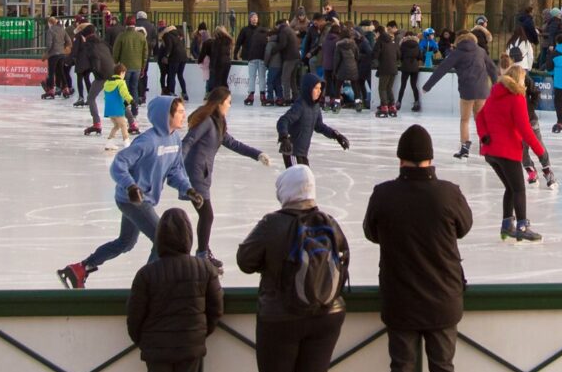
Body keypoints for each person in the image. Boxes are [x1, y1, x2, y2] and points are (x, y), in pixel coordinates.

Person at [362, 124, 472, 372]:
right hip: (443, 296)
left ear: (400, 159)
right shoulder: (448, 193)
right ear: (431, 158)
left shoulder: (384, 195)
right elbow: (464, 226)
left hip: (401, 297)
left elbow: (371, 232)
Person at [236, 164, 351, 372]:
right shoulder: (330, 222)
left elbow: (245, 260)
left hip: (280, 317)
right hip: (327, 315)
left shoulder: (272, 224)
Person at [55, 97, 195, 289]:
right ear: (166, 116)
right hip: (132, 199)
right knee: (161, 239)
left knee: (125, 242)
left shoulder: (174, 140)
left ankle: (80, 268)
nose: (183, 115)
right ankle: (148, 286)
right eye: (179, 111)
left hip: (144, 198)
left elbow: (175, 171)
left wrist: (187, 188)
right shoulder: (147, 141)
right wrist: (130, 186)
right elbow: (118, 164)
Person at [127, 206, 221, 372]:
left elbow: (135, 317)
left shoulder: (146, 274)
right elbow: (216, 309)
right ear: (188, 237)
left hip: (156, 346)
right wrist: (200, 333)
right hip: (190, 343)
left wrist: (144, 339)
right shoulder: (204, 270)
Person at [182, 85, 270, 261]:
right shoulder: (207, 121)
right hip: (196, 174)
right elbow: (188, 141)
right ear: (220, 103)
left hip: (203, 174)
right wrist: (174, 166)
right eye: (228, 102)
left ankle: (203, 252)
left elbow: (234, 144)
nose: (230, 105)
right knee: (207, 215)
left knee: (205, 216)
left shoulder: (218, 123)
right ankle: (202, 254)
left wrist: (257, 154)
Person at [478, 52, 551, 239]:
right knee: (519, 189)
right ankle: (522, 226)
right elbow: (525, 128)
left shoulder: (495, 93)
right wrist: (540, 151)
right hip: (506, 151)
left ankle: (506, 225)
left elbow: (480, 116)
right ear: (520, 79)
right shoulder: (517, 98)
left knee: (510, 188)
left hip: (491, 152)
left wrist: (484, 136)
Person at [437, 29, 490, 159]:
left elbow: (443, 68)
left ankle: (465, 147)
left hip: (467, 91)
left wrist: (427, 86)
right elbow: (491, 68)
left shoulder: (457, 52)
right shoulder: (481, 51)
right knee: (480, 119)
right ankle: (485, 145)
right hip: (482, 91)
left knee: (465, 120)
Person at [276, 76, 352, 167]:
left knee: (306, 179)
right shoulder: (300, 105)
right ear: (308, 89)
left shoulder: (315, 106)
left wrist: (336, 135)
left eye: (320, 88)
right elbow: (283, 120)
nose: (319, 91)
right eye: (316, 88)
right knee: (299, 180)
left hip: (302, 153)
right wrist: (284, 138)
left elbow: (319, 126)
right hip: (292, 152)